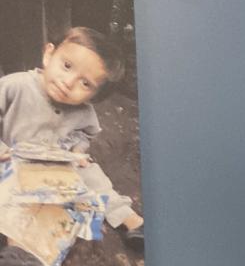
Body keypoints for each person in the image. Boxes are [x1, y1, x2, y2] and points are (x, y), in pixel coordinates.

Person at [0, 26, 143, 231]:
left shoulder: (82, 111)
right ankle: (18, 244)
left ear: (95, 95)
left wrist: (77, 151)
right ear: (49, 54)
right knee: (14, 196)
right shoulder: (15, 86)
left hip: (56, 165)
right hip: (11, 161)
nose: (68, 82)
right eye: (67, 66)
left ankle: (128, 219)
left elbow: (84, 133)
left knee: (91, 174)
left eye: (85, 83)